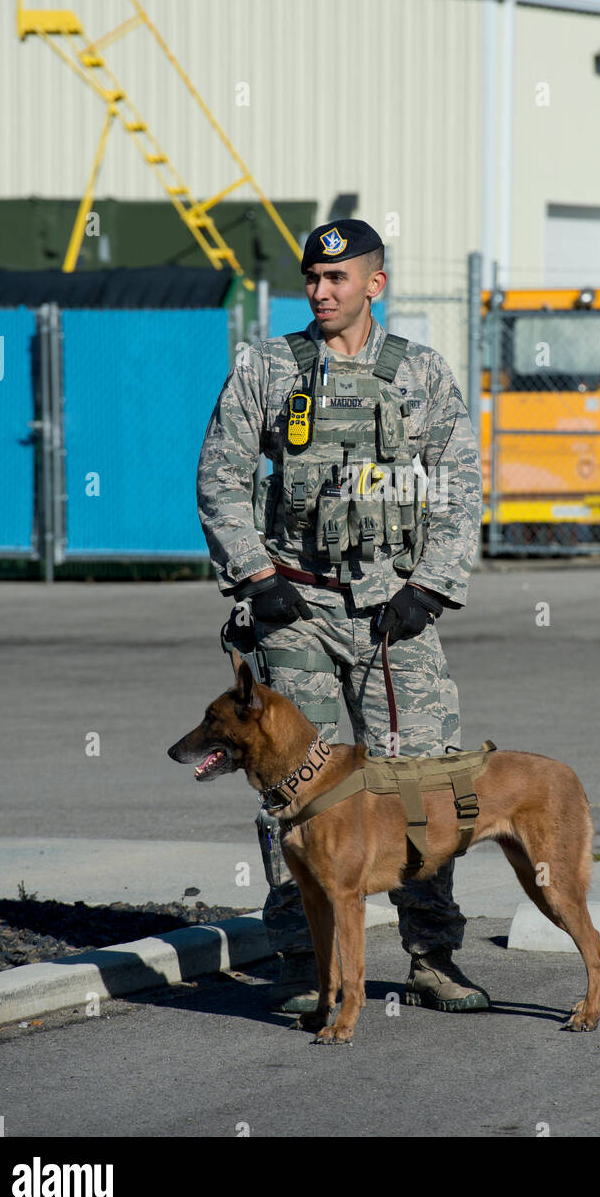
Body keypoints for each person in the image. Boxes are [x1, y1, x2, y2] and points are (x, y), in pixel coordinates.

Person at [197, 218, 487, 1014]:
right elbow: (220, 476)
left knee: (424, 782)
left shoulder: (420, 373)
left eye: (338, 280)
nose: (321, 293)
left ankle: (432, 955)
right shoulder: (267, 367)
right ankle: (300, 957)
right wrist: (257, 577)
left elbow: (460, 485)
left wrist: (430, 586)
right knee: (297, 786)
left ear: (374, 284)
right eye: (312, 281)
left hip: (397, 609)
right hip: (295, 606)